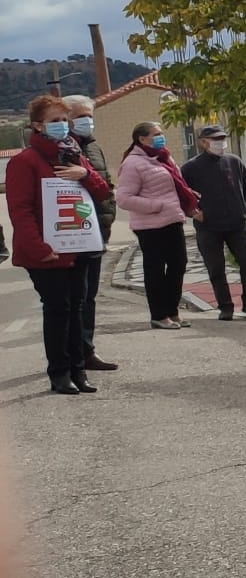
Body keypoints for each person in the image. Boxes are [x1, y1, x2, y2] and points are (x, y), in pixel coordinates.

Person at [6, 94, 115, 393]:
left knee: (77, 308)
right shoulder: (24, 162)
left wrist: (85, 174)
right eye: (55, 121)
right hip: (46, 252)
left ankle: (79, 371)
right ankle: (59, 373)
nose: (62, 127)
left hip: (78, 244)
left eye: (64, 121)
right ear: (37, 125)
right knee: (58, 309)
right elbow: (20, 210)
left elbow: (102, 191)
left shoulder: (74, 155)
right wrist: (41, 248)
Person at [119, 121, 200, 329]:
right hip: (150, 225)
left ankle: (173, 311)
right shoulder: (132, 163)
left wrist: (189, 200)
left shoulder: (164, 157)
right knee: (155, 270)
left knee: (178, 265)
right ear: (142, 139)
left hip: (172, 220)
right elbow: (124, 198)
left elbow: (177, 185)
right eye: (156, 134)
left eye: (161, 133)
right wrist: (156, 206)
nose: (160, 137)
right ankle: (159, 314)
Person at [183, 124, 246, 322]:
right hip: (208, 227)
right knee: (216, 268)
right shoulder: (191, 167)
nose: (220, 143)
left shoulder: (234, 161)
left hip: (236, 224)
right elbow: (182, 194)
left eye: (221, 138)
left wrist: (245, 207)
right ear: (203, 142)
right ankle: (225, 306)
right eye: (215, 139)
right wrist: (193, 212)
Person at [62, 94, 118, 372]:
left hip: (96, 230)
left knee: (89, 297)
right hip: (71, 232)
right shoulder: (61, 148)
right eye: (80, 116)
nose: (86, 121)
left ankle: (87, 351)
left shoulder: (93, 148)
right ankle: (70, 355)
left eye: (89, 116)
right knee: (73, 299)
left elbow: (104, 186)